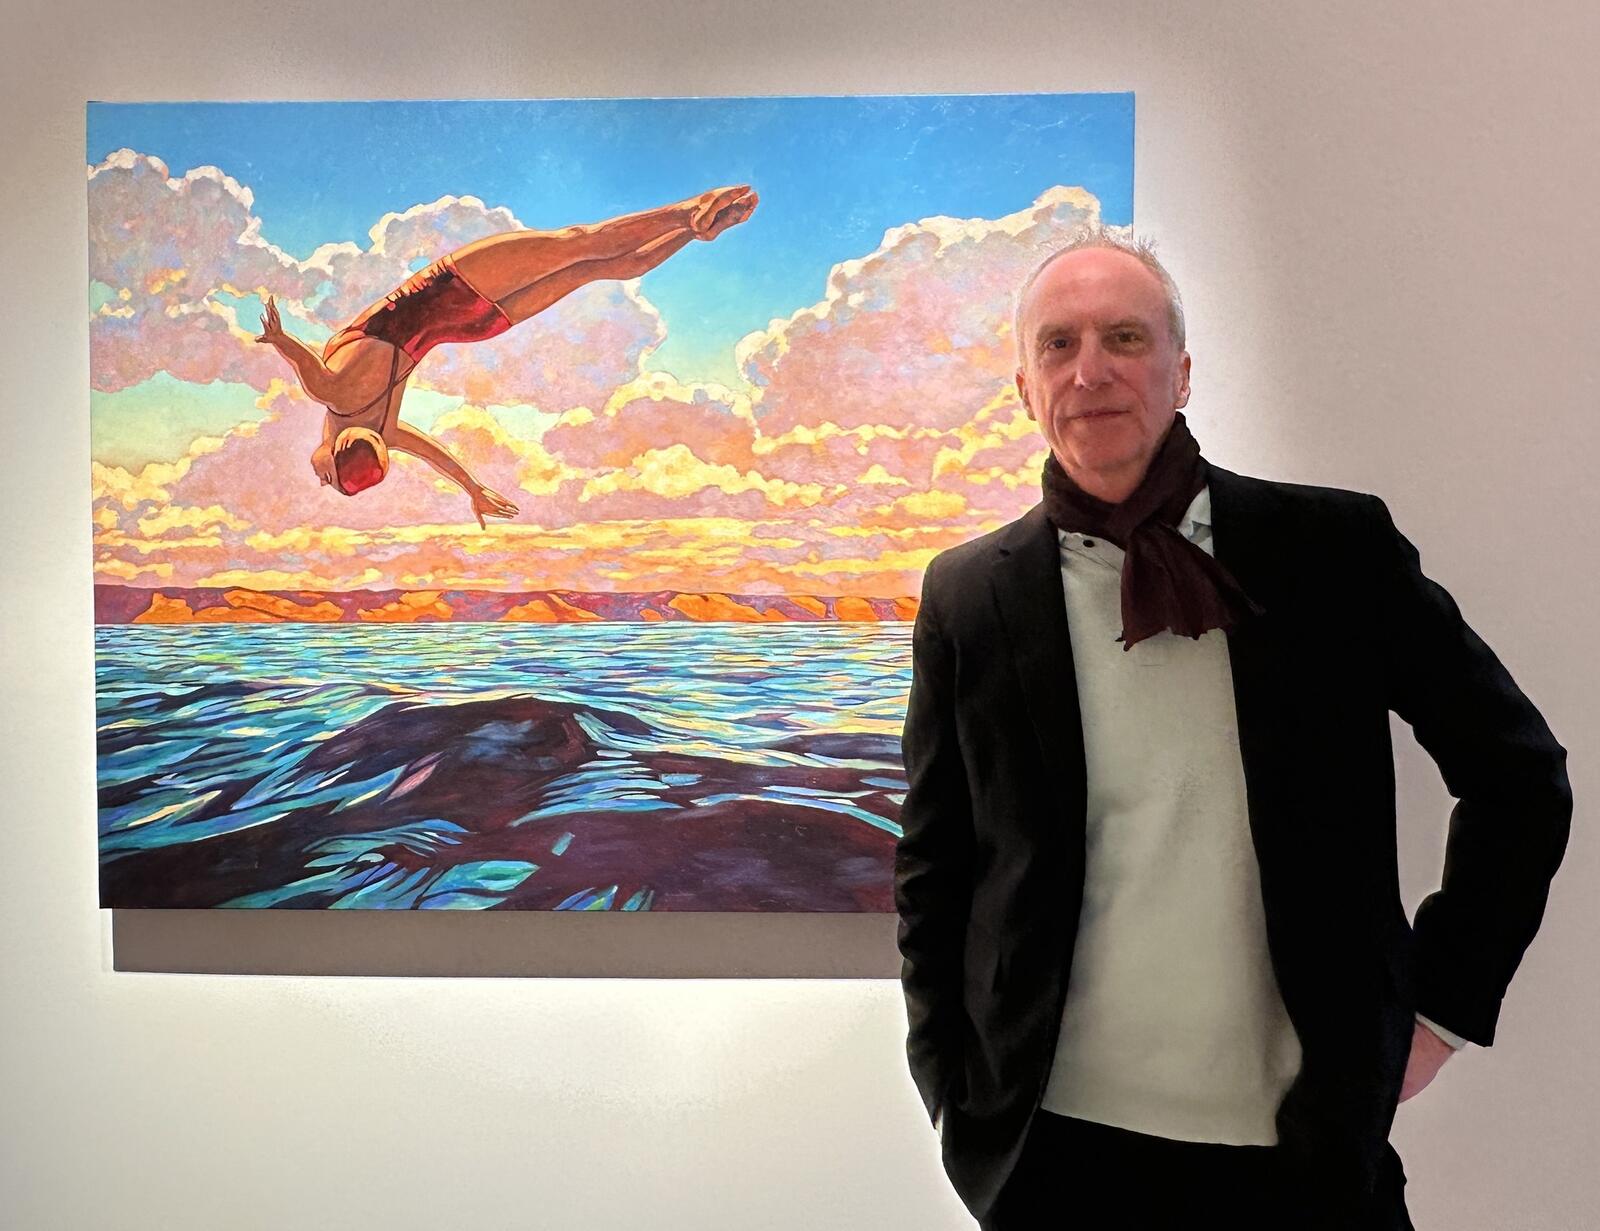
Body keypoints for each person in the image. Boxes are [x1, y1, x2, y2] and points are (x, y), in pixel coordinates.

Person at [894, 229, 1572, 1229]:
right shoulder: (968, 597)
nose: (1090, 370)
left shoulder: (1330, 551)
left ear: (1181, 371)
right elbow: (936, 863)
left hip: (1302, 1150)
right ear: (1025, 389)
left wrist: (1440, 1007)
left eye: (1125, 337)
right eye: (1058, 344)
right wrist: (951, 1088)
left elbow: (1517, 776)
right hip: (1058, 1157)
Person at [255, 184, 759, 527]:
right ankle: (689, 213)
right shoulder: (333, 396)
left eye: (327, 479)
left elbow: (434, 456)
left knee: (592, 268)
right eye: (326, 477)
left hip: (474, 326)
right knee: (578, 243)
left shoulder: (382, 429)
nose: (318, 478)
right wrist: (278, 339)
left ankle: (695, 232)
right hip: (454, 288)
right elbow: (307, 367)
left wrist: (472, 489)